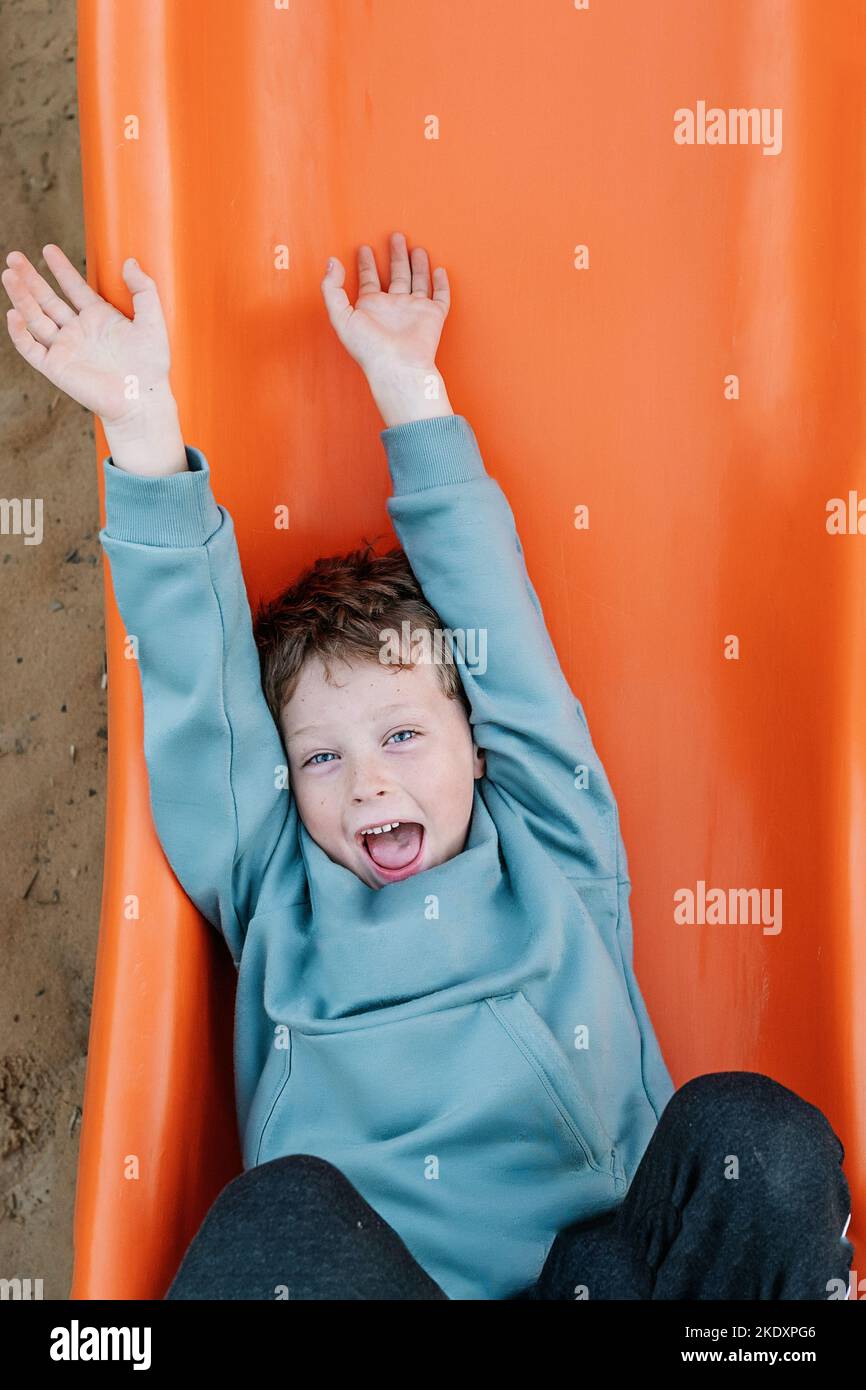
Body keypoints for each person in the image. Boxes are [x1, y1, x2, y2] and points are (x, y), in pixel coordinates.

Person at [2, 235, 853, 1301]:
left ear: (475, 740)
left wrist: (408, 386)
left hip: (608, 1283)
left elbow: (499, 624)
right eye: (320, 755)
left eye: (402, 735)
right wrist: (138, 420)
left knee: (751, 1134)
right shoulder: (276, 885)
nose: (366, 781)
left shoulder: (548, 833)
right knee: (277, 1213)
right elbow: (195, 694)